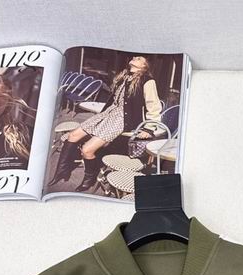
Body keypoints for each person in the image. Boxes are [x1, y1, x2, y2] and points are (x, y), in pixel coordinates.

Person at [47, 55, 163, 193]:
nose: (134, 58)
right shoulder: (125, 76)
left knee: (87, 150)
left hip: (122, 119)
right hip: (107, 113)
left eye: (138, 58)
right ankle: (61, 172)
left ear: (145, 65)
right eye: (134, 56)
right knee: (72, 135)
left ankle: (89, 179)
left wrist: (149, 128)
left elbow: (154, 107)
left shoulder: (147, 81)